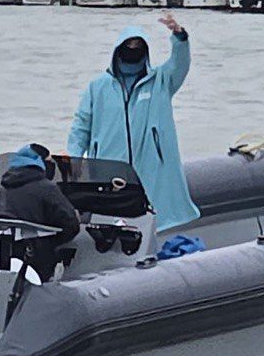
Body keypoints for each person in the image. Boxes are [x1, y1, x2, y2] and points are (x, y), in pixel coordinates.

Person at [67, 14, 200, 232]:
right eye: (128, 45)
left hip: (152, 166)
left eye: (138, 46)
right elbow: (81, 125)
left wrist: (179, 36)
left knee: (154, 217)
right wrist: (73, 161)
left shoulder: (162, 80)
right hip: (109, 166)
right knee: (112, 216)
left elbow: (180, 64)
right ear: (118, 50)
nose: (133, 49)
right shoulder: (97, 87)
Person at [0, 143, 81, 279]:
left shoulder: (3, 188)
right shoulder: (47, 188)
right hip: (36, 258)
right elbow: (70, 225)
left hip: (2, 252)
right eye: (49, 162)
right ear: (40, 163)